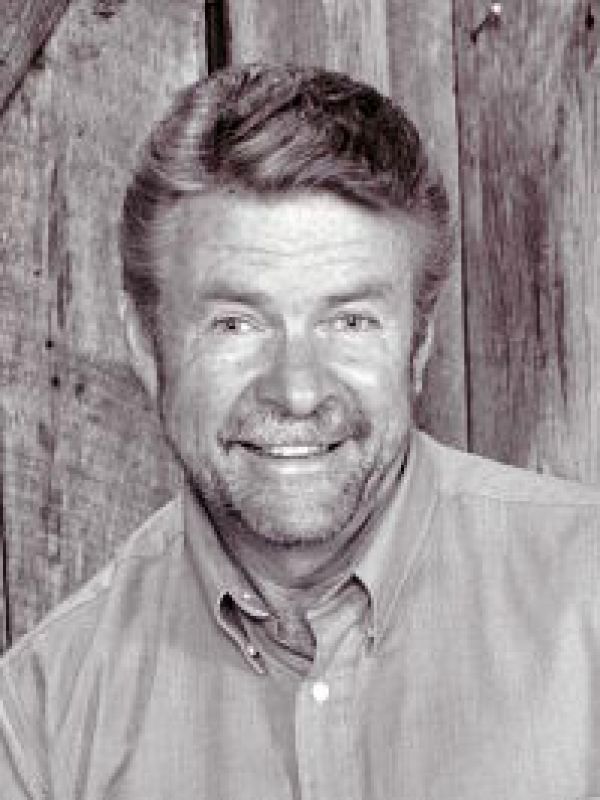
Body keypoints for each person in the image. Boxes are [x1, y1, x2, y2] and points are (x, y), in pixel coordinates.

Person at [1, 63, 600, 800]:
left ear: (419, 345)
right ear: (145, 345)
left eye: (350, 321)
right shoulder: (40, 719)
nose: (297, 391)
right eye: (236, 323)